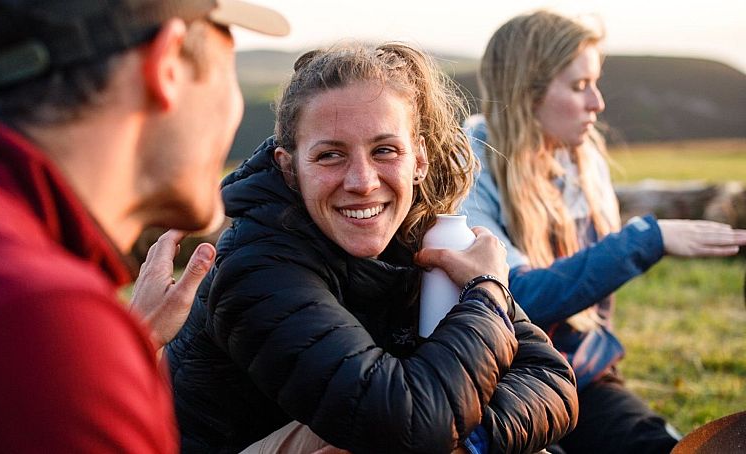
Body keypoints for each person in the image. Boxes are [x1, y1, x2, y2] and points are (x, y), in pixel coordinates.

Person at [166, 41, 579, 454]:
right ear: (290, 169)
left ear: (417, 159)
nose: (362, 182)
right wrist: (487, 295)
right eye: (330, 155)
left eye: (384, 150)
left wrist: (473, 438)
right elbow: (402, 425)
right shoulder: (257, 268)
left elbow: (550, 377)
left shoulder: (426, 237)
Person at [0, 0, 288, 451]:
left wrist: (129, 343)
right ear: (167, 66)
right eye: (229, 69)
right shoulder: (44, 328)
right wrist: (95, 351)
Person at [459, 10, 746, 454]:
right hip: (500, 384)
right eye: (579, 86)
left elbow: (595, 310)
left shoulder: (582, 158)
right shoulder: (474, 163)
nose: (598, 103)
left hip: (584, 376)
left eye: (595, 83)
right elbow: (509, 298)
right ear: (527, 92)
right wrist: (646, 240)